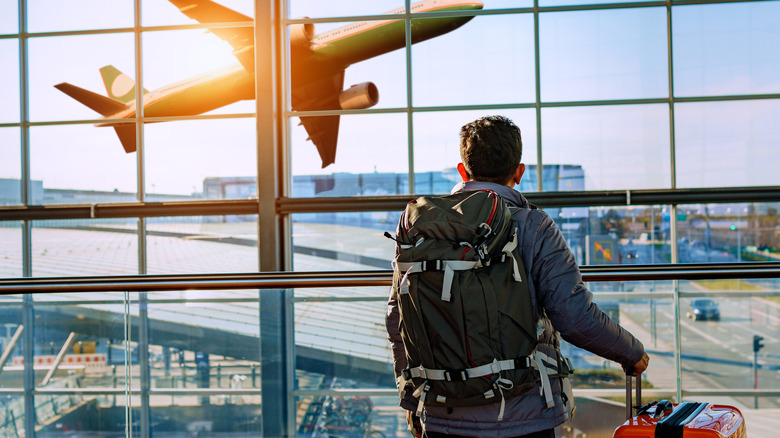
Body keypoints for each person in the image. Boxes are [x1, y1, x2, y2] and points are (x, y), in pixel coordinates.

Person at [386, 115, 650, 438]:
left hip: (443, 417)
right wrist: (631, 352)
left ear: (462, 170)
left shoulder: (419, 226)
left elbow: (397, 319)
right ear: (519, 173)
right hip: (522, 418)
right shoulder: (533, 227)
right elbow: (575, 317)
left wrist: (413, 400)